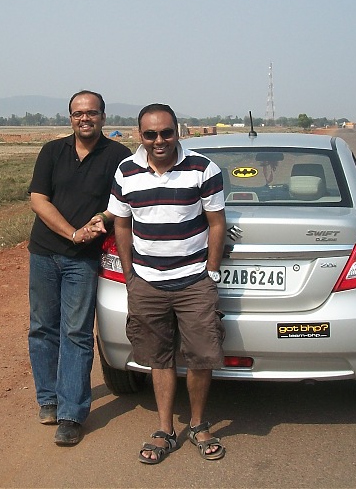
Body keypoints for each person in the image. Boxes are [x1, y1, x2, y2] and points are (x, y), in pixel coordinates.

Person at [106, 103, 227, 464]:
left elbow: (216, 223)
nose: (159, 141)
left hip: (194, 282)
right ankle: (164, 430)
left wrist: (212, 272)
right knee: (158, 358)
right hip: (146, 282)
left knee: (201, 356)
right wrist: (130, 276)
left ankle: (199, 425)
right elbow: (121, 225)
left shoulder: (204, 169)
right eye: (150, 134)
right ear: (138, 135)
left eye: (166, 133)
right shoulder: (126, 171)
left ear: (179, 131)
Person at [27, 90, 131, 446]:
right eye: (77, 113)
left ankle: (71, 414)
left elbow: (122, 203)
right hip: (44, 252)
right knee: (42, 327)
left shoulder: (119, 156)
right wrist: (71, 232)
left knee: (77, 333)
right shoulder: (52, 151)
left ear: (103, 116)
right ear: (70, 117)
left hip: (84, 259)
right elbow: (38, 199)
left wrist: (99, 220)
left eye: (91, 113)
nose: (84, 119)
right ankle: (49, 399)